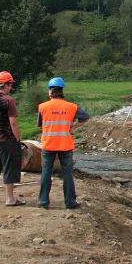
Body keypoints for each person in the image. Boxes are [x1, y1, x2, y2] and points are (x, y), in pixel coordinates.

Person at [37, 77, 89, 209]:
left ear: (50, 91)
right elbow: (85, 117)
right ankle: (70, 202)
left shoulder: (42, 107)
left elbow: (40, 125)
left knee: (46, 173)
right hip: (65, 145)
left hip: (48, 144)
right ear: (61, 90)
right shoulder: (72, 107)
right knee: (67, 174)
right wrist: (72, 128)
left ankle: (43, 202)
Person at [0, 71, 24, 206]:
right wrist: (18, 138)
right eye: (10, 84)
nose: (11, 87)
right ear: (6, 85)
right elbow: (13, 122)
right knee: (9, 167)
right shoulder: (8, 100)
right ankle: (10, 199)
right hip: (6, 139)